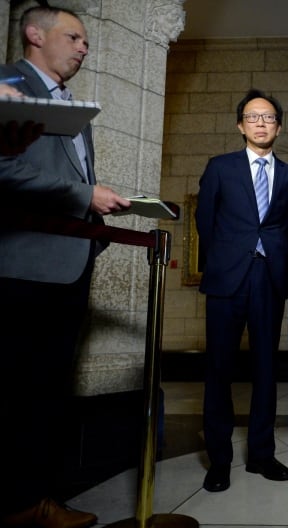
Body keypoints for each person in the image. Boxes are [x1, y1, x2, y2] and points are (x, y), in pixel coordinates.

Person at [0, 6, 131, 528]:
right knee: (15, 393)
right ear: (35, 33)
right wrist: (85, 195)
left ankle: (37, 501)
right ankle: (15, 504)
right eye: (73, 36)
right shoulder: (10, 84)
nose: (83, 47)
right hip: (22, 267)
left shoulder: (68, 103)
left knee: (46, 392)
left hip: (68, 265)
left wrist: (94, 227)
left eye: (85, 40)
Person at [196, 88, 288, 492]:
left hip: (267, 278)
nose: (261, 123)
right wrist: (228, 257)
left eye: (269, 117)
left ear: (279, 127)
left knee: (265, 370)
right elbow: (205, 224)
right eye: (253, 117)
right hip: (227, 278)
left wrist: (263, 255)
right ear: (241, 125)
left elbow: (282, 228)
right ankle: (219, 460)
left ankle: (261, 454)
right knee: (218, 371)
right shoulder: (220, 168)